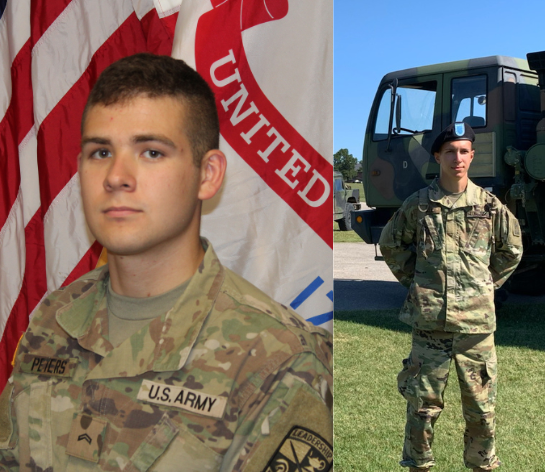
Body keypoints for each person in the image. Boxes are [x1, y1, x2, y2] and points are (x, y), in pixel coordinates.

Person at [0, 53, 333, 472]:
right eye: (100, 152)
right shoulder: (53, 319)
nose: (116, 176)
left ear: (208, 174)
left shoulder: (278, 360)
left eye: (151, 152)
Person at [379, 122, 522, 471]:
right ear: (437, 156)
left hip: (476, 330)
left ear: (472, 156)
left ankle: (481, 466)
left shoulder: (489, 206)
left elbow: (512, 249)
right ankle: (418, 465)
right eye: (450, 151)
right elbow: (391, 244)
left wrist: (485, 284)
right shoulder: (419, 205)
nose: (457, 158)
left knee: (481, 410)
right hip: (430, 327)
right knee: (421, 410)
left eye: (463, 151)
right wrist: (418, 282)